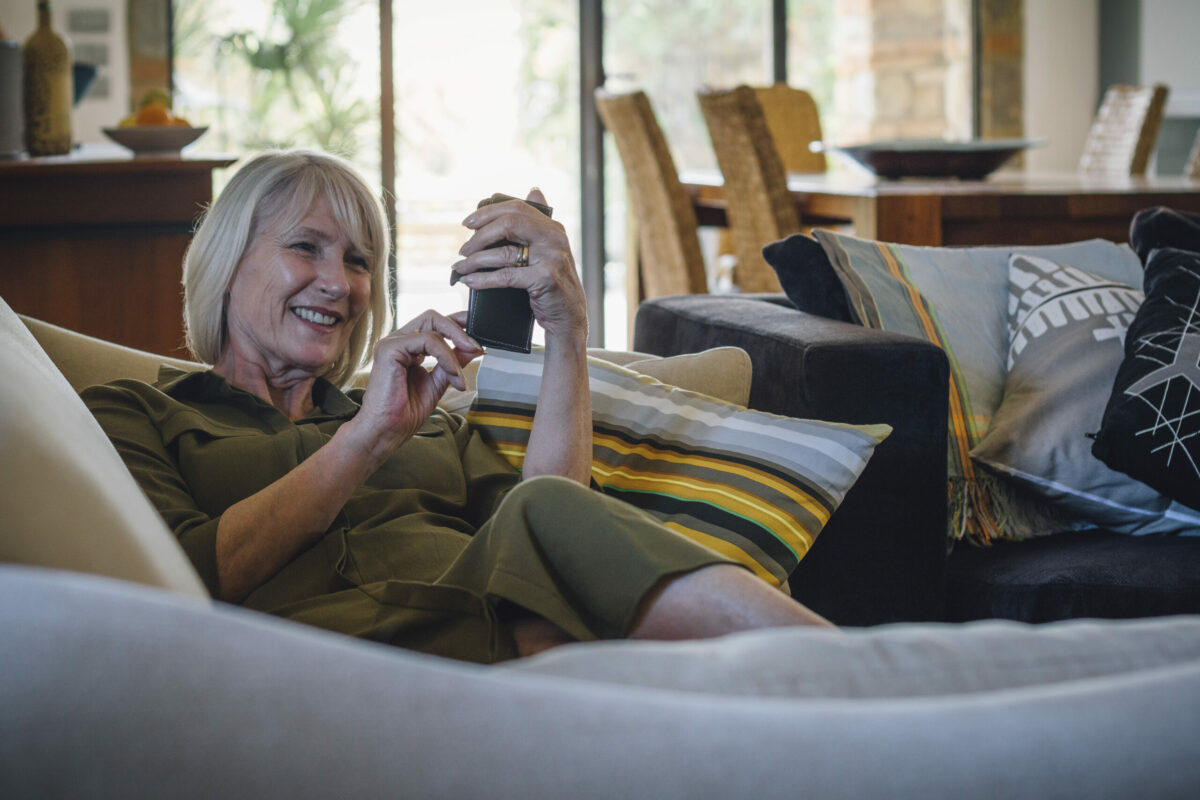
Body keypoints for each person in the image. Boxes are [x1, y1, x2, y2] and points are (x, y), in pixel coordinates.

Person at [84, 149, 830, 664]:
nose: (339, 284)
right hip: (336, 661)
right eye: (306, 248)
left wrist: (566, 331)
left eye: (358, 261)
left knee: (541, 518)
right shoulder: (134, 415)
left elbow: (553, 529)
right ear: (226, 262)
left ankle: (839, 669)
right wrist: (366, 439)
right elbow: (182, 579)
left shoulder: (431, 421)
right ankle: (847, 673)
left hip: (501, 637)